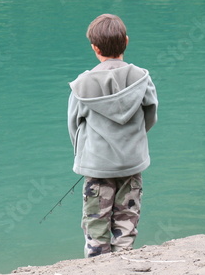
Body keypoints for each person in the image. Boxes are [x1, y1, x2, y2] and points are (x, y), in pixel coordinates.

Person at [67, 14, 158, 258]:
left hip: (96, 166)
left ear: (95, 48)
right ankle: (124, 263)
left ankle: (99, 264)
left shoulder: (81, 85)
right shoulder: (142, 79)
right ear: (126, 42)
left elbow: (74, 126)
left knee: (96, 225)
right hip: (131, 162)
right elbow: (151, 116)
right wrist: (133, 141)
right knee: (127, 222)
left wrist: (83, 155)